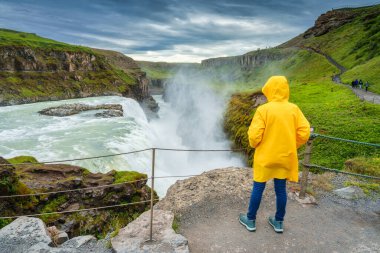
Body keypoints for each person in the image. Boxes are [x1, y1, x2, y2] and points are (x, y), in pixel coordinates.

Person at [239, 76, 310, 233]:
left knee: (258, 187)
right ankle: (278, 222)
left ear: (270, 90)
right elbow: (304, 132)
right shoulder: (294, 109)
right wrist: (294, 144)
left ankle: (250, 220)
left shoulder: (263, 110)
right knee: (281, 190)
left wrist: (256, 145)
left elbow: (254, 137)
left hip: (266, 157)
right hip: (285, 156)